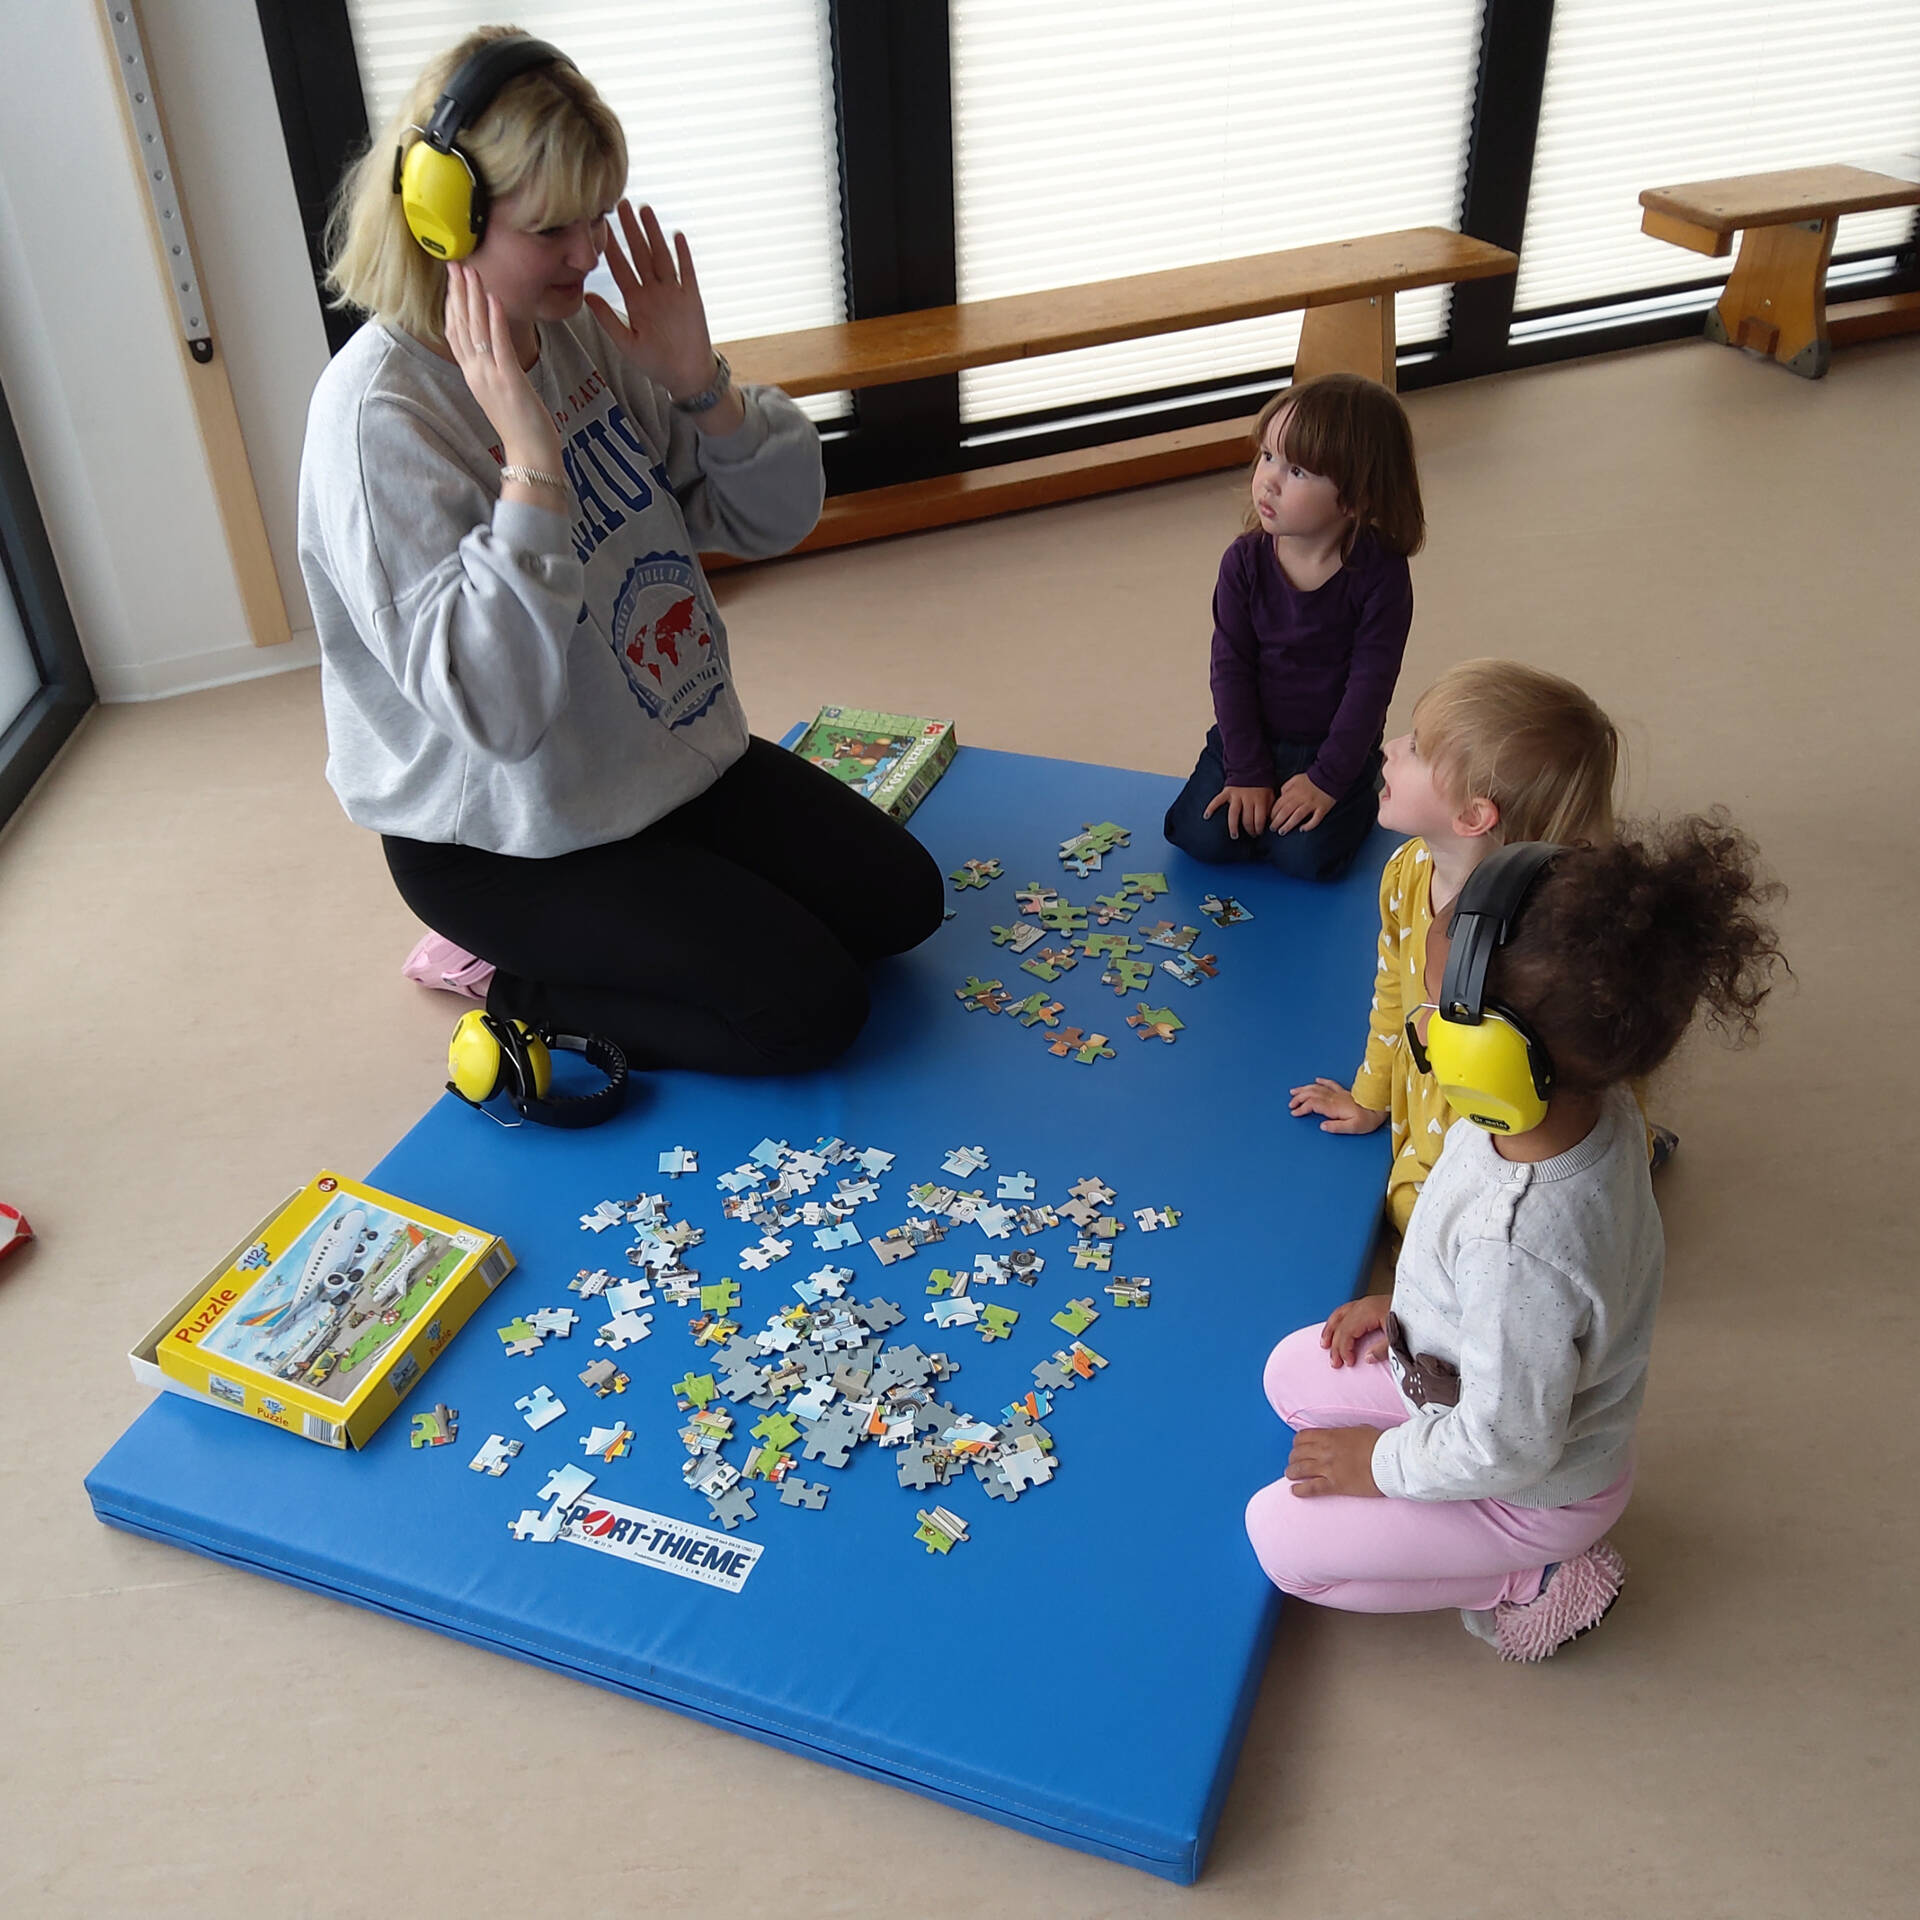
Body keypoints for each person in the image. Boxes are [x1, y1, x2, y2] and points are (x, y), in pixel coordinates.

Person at [297, 27, 943, 1075]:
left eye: (599, 214)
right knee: (810, 1012)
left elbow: (772, 520)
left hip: (663, 760)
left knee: (905, 905)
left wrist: (704, 389)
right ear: (440, 216)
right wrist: (529, 461)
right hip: (505, 837)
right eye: (553, 227)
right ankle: (510, 980)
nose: (589, 254)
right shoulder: (378, 418)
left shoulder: (577, 328)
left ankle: (646, 922)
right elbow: (496, 711)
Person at [1245, 817, 1786, 1660]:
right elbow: (1513, 1296)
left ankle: (1534, 1580)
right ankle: (1454, 1498)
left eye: (1431, 1011)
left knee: (1280, 1538)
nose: (1415, 1029)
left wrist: (1379, 1467)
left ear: (1497, 1054)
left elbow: (1510, 1442)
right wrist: (1408, 1306)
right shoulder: (1568, 1108)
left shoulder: (1523, 1239)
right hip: (1476, 1379)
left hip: (1534, 1491)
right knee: (1290, 1373)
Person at [1288, 659, 1622, 1234]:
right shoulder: (1408, 870)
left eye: (1416, 748)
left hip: (1500, 1115)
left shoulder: (1535, 934)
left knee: (1427, 1221)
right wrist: (1372, 1097)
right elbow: (1393, 986)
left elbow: (1570, 1062)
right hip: (1430, 1088)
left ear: (1472, 815)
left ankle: (1624, 1149)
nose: (1389, 747)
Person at [1162, 374, 1423, 881]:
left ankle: (1359, 794)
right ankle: (1271, 796)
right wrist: (1247, 770)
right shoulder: (1244, 561)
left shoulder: (1381, 575)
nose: (1269, 480)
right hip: (1250, 734)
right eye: (1267, 456)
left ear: (1355, 497)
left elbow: (1369, 690)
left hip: (1334, 747)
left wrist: (1327, 779)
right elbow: (1230, 669)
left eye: (1297, 469)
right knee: (1199, 834)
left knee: (1303, 858)